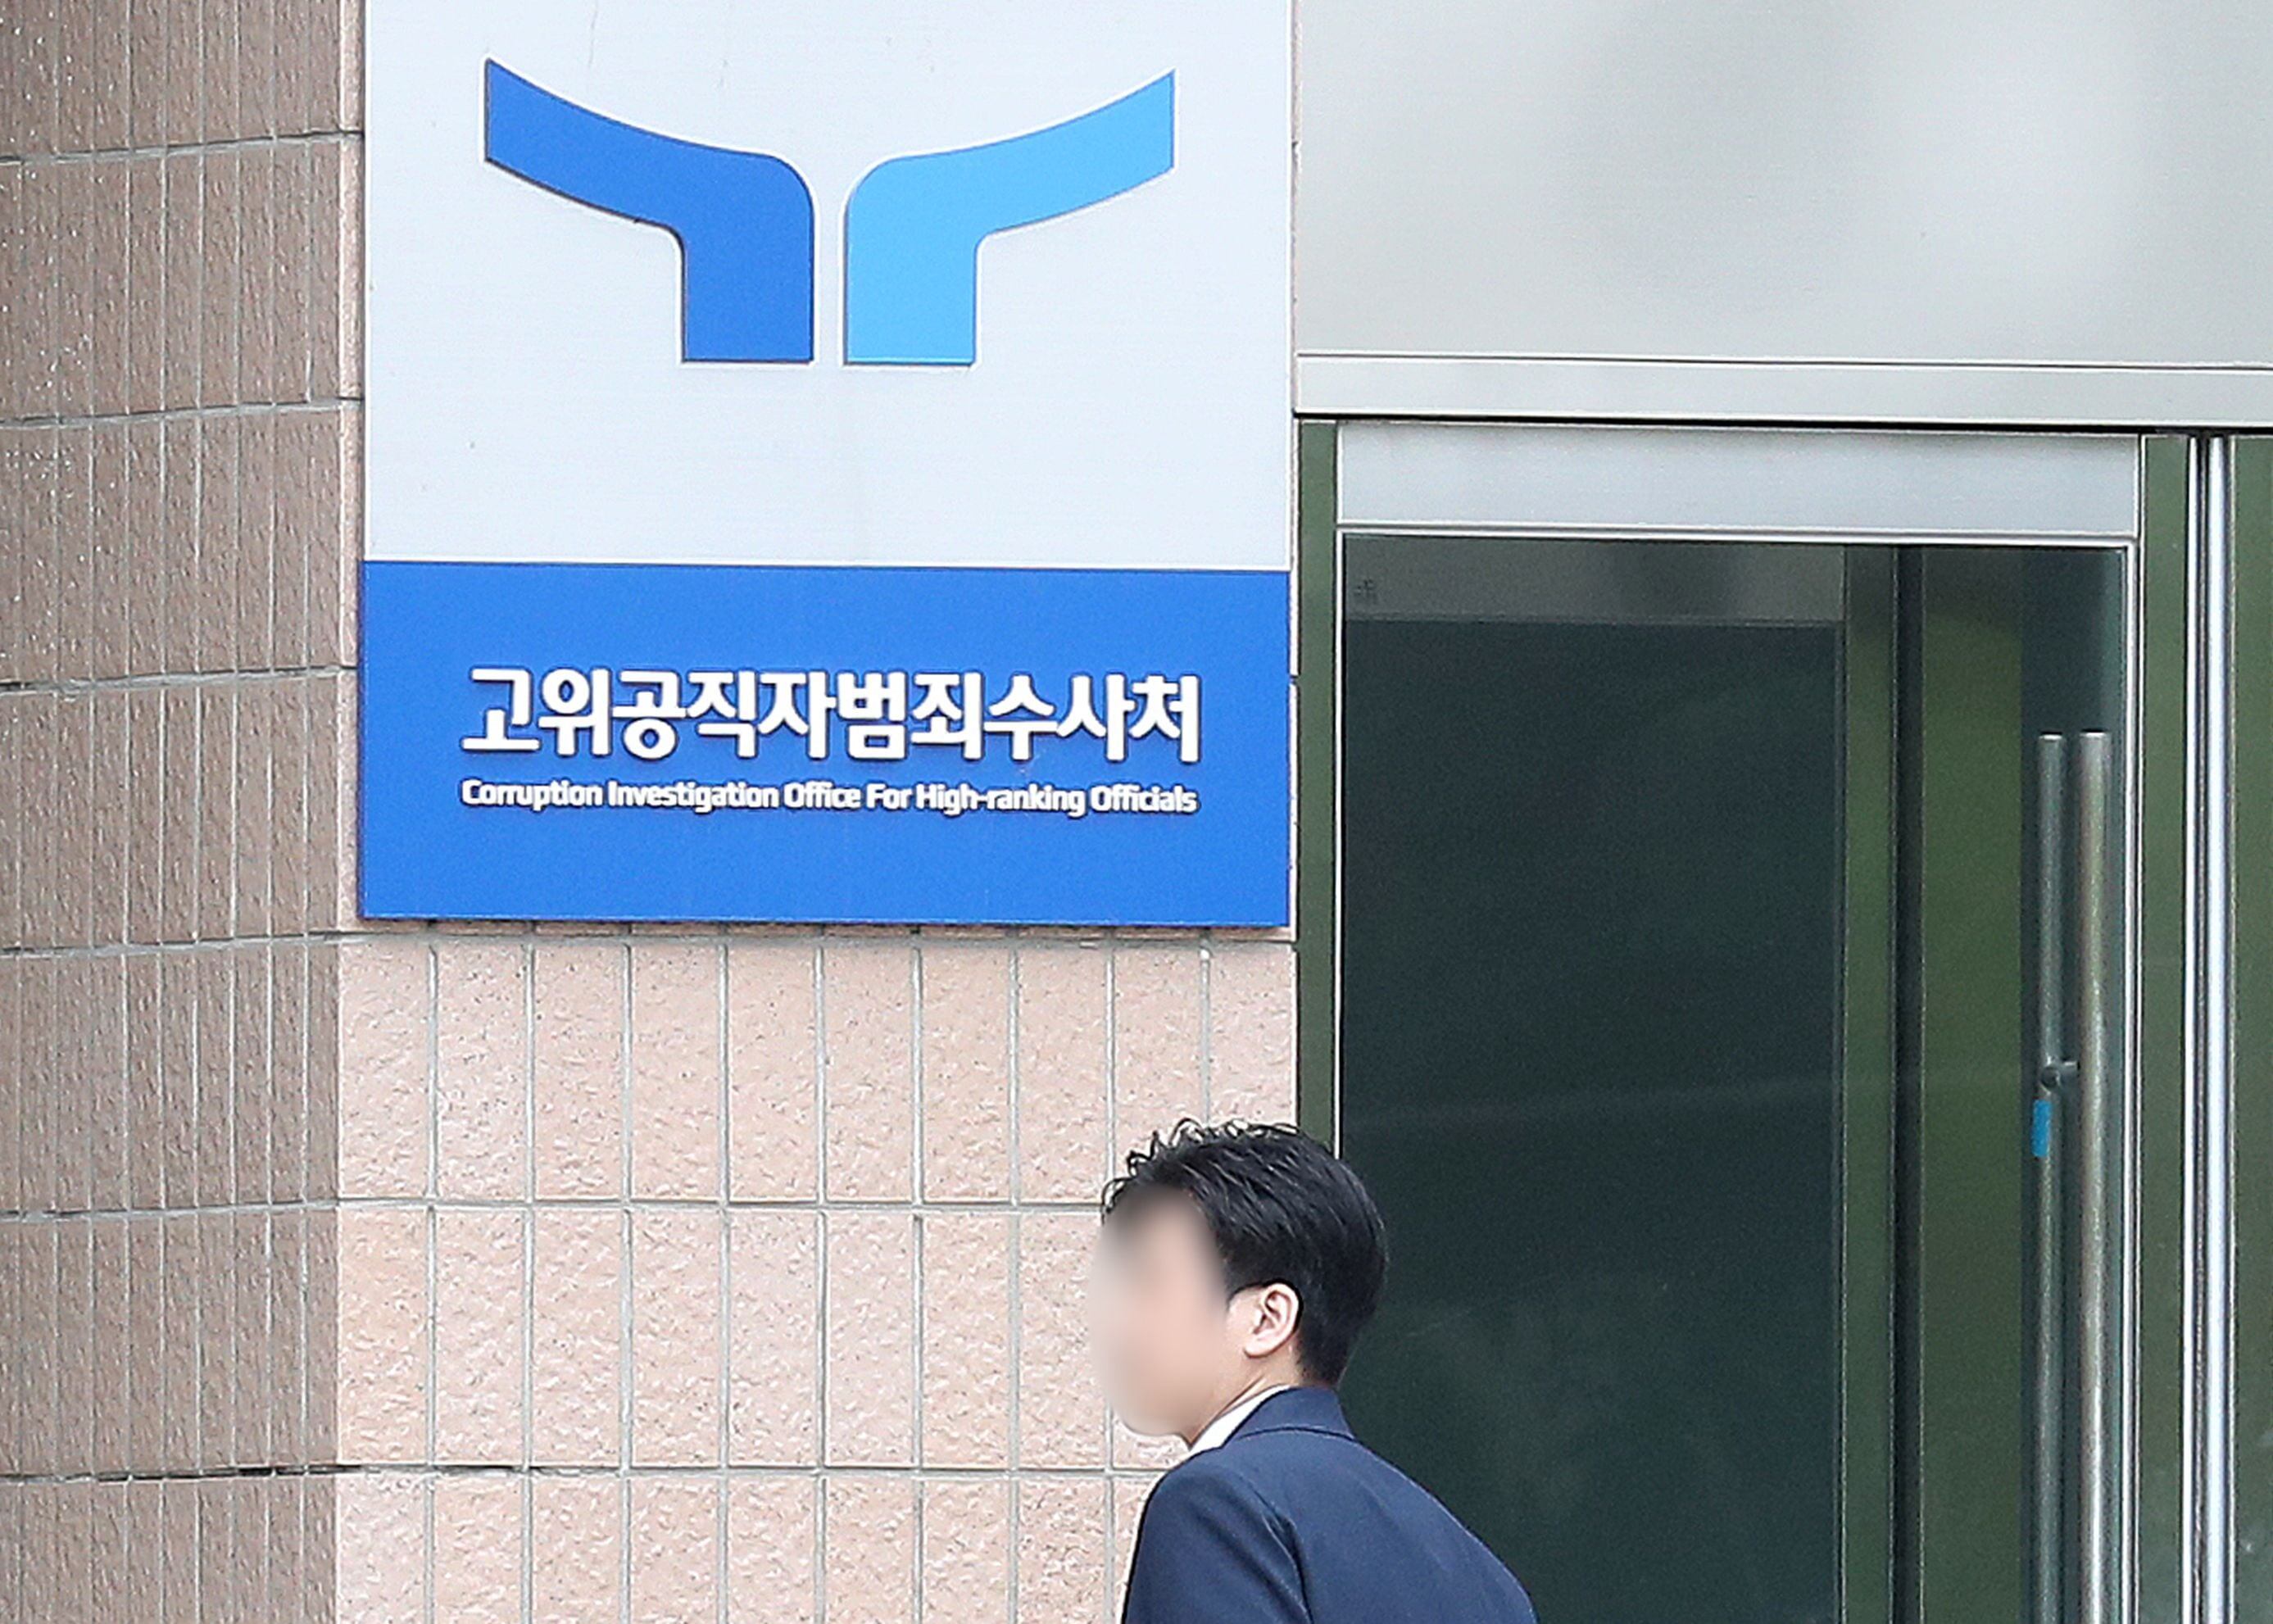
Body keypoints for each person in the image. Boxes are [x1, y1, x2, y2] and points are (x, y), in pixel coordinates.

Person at [1099, 1120, 1537, 1624]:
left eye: (1148, 1284)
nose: (1121, 1324)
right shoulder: (1482, 1573)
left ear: (1268, 1319)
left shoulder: (1216, 1503)